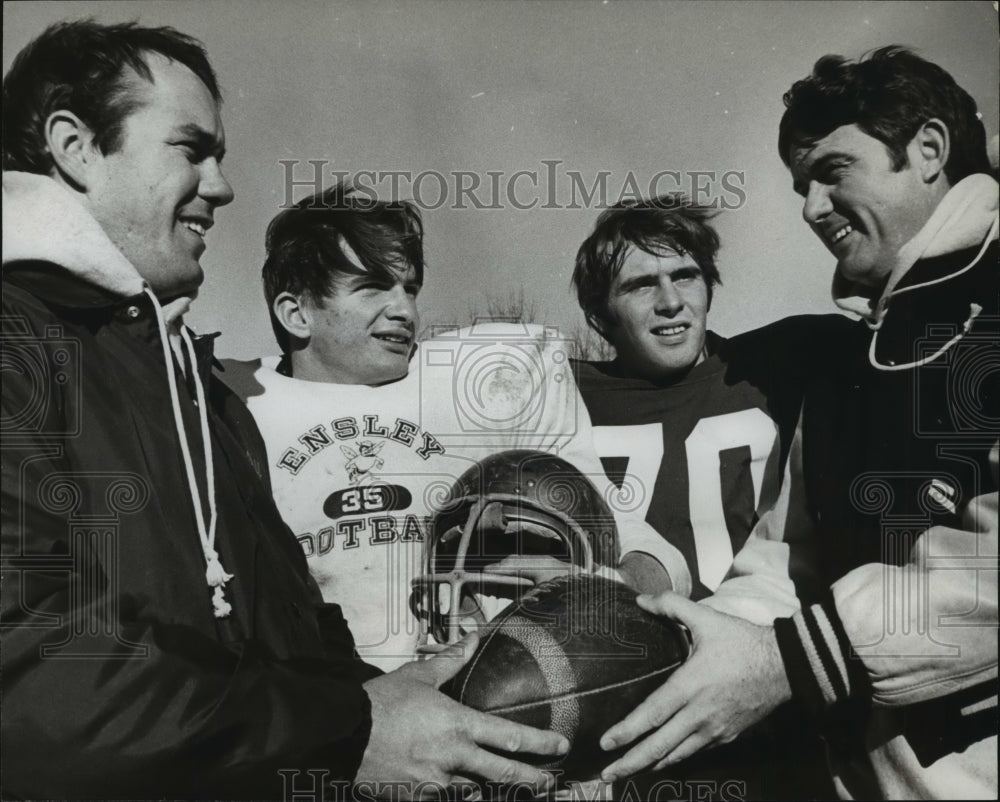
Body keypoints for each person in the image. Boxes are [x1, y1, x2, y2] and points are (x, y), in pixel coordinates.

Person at [0, 21, 570, 800]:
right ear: (75, 146)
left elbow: (291, 643)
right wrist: (350, 734)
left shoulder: (201, 392)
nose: (222, 185)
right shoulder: (16, 342)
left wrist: (443, 724)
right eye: (191, 150)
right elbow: (34, 686)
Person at [598, 47, 998, 800]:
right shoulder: (861, 346)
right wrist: (679, 644)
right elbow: (790, 559)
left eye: (832, 171)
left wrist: (791, 660)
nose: (811, 208)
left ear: (930, 150)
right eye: (800, 186)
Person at [221, 182, 685, 672]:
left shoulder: (484, 379)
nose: (405, 310)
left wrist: (608, 588)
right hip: (328, 708)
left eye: (410, 288)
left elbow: (632, 537)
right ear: (296, 313)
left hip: (483, 685)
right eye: (373, 286)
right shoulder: (230, 406)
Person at [571, 197, 845, 799]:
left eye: (686, 275)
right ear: (598, 314)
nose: (671, 302)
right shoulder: (559, 398)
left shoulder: (782, 358)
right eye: (641, 284)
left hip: (771, 696)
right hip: (627, 709)